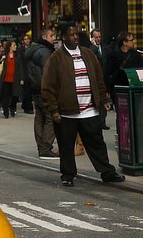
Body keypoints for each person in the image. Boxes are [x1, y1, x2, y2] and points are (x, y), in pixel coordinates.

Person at [40, 22, 125, 188]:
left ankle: (107, 173)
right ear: (63, 37)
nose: (75, 37)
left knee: (97, 144)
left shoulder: (88, 54)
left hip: (89, 111)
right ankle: (68, 175)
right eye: (72, 34)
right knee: (66, 146)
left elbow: (98, 79)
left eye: (77, 34)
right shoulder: (56, 58)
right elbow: (47, 87)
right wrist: (53, 109)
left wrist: (103, 99)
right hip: (66, 113)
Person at [26, 25, 58, 160]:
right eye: (52, 36)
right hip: (44, 89)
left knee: (39, 117)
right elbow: (47, 72)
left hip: (35, 88)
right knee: (51, 117)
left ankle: (41, 146)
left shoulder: (32, 50)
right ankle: (45, 147)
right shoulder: (45, 52)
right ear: (45, 37)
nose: (54, 39)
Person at [0, 40, 20, 118]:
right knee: (5, 96)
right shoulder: (4, 55)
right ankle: (6, 111)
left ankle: (12, 108)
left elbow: (20, 67)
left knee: (15, 95)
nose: (15, 47)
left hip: (15, 79)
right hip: (5, 79)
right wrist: (1, 59)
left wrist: (21, 78)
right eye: (14, 45)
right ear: (10, 46)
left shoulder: (17, 55)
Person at [18, 32, 34, 113]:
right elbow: (20, 63)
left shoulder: (33, 48)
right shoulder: (21, 50)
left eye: (28, 39)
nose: (27, 40)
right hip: (25, 72)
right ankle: (28, 107)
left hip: (32, 71)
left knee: (30, 90)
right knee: (26, 90)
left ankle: (25, 104)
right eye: (25, 39)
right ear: (22, 41)